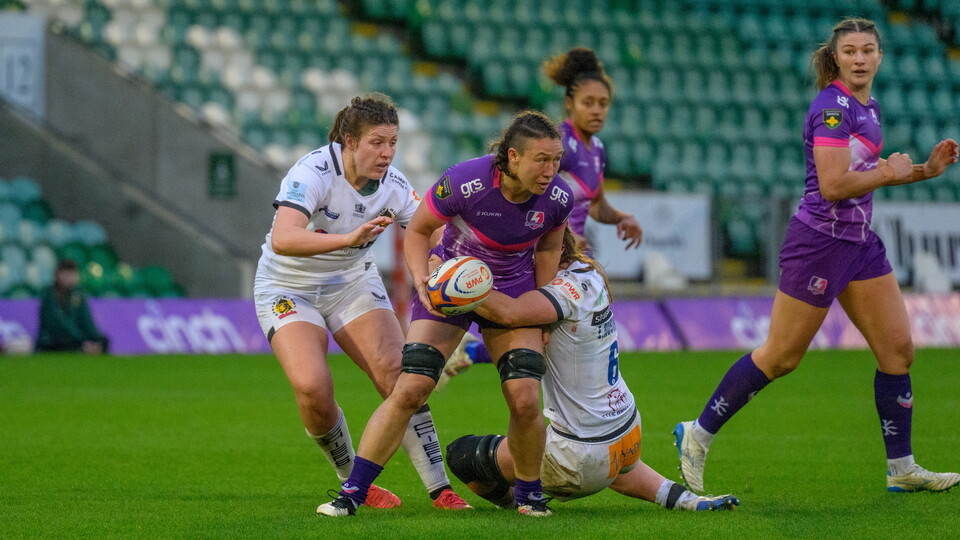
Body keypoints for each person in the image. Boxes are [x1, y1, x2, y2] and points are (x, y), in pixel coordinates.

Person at [673, 18, 960, 495]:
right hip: (820, 243)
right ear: (837, 57)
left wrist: (926, 170)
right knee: (782, 357)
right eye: (851, 51)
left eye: (869, 49)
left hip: (860, 243)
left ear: (880, 57)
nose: (861, 58)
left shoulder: (871, 107)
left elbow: (872, 171)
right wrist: (889, 175)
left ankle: (902, 468)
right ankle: (697, 435)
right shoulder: (832, 108)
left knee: (897, 351)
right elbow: (832, 186)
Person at [317, 110, 574, 518]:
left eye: (557, 159)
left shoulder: (558, 198)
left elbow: (547, 250)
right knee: (410, 389)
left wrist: (542, 311)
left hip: (512, 291)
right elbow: (418, 230)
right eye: (542, 159)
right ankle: (351, 493)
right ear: (513, 156)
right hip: (451, 283)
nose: (551, 170)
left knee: (525, 399)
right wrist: (423, 281)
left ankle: (529, 496)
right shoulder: (465, 181)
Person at [253, 93, 470, 513]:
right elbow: (283, 238)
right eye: (376, 142)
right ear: (349, 142)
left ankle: (440, 488)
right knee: (312, 388)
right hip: (288, 287)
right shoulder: (312, 171)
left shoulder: (394, 185)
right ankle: (353, 479)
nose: (387, 152)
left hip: (352, 283)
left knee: (399, 376)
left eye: (392, 142)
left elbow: (433, 232)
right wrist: (349, 240)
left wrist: (456, 267)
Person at [444, 226, 739, 512]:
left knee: (463, 455)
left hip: (577, 455)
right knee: (607, 462)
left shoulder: (561, 293)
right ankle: (683, 498)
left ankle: (519, 504)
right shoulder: (591, 274)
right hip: (627, 433)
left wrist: (452, 281)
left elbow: (508, 313)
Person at [438, 47, 643, 387]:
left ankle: (471, 352)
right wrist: (557, 244)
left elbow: (595, 203)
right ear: (569, 104)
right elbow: (529, 199)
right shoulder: (556, 148)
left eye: (602, 103)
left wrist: (621, 218)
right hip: (551, 257)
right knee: (555, 343)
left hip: (575, 258)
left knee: (558, 344)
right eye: (587, 102)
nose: (596, 110)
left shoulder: (597, 150)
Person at [36, 258, 109, 354]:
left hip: (77, 338)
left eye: (71, 273)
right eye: (65, 273)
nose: (68, 277)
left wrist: (95, 338)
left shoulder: (78, 293)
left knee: (104, 341)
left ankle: (89, 349)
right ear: (57, 275)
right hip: (54, 339)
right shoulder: (49, 294)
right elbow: (58, 323)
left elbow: (87, 320)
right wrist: (82, 340)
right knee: (63, 342)